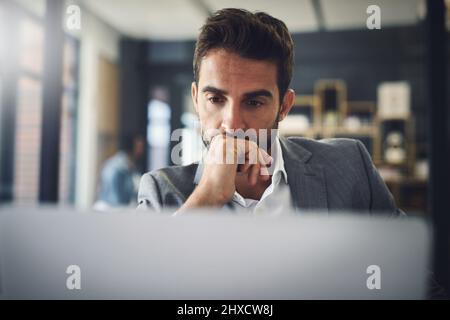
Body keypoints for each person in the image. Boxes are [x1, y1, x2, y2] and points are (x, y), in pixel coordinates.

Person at [136, 8, 446, 298]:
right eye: (216, 99)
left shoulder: (350, 167)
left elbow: (418, 285)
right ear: (195, 99)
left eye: (254, 102)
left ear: (284, 106)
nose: (231, 123)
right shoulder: (162, 192)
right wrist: (206, 197)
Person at [95, 134, 144, 209]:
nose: (141, 150)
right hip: (111, 210)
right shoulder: (118, 167)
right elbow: (117, 199)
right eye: (139, 146)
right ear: (131, 146)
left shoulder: (128, 165)